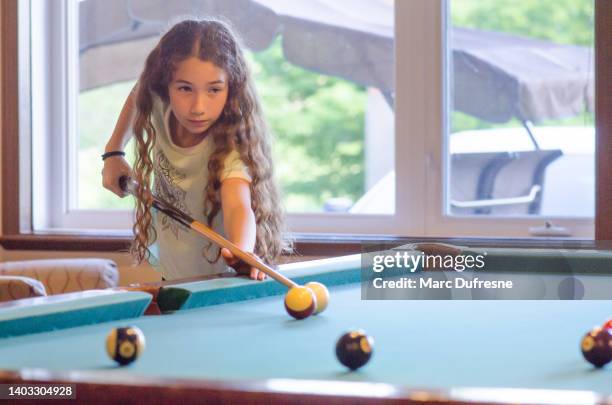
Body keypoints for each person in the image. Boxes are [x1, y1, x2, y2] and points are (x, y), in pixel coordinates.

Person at [102, 19, 288, 281]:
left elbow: (238, 206)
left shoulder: (230, 145)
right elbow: (139, 90)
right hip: (172, 269)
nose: (198, 106)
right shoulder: (158, 102)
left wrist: (242, 251)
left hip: (220, 280)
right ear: (165, 85)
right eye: (185, 88)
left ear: (231, 87)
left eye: (214, 89)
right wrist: (113, 153)